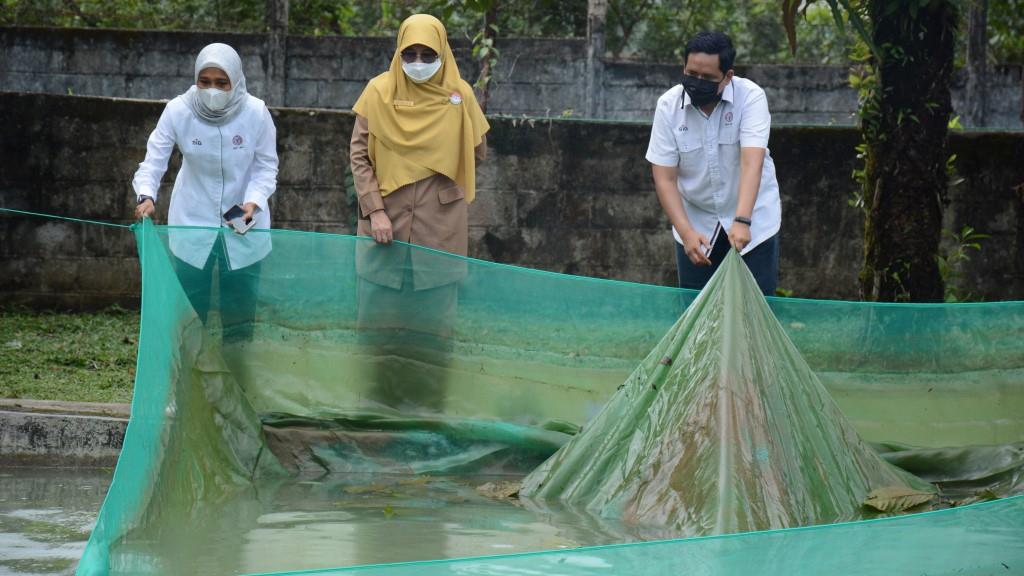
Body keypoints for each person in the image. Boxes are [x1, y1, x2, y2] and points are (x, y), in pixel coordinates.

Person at [349, 13, 489, 411]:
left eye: (428, 53)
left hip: (440, 226)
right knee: (378, 324)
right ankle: (374, 408)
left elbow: (476, 152)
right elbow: (359, 156)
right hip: (383, 226)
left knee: (434, 328)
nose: (418, 60)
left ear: (442, 53)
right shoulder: (377, 92)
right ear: (398, 52)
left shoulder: (459, 95)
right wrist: (375, 209)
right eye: (409, 52)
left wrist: (442, 171)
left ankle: (429, 411)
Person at [132, 43, 278, 341]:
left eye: (221, 83)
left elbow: (266, 167)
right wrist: (146, 196)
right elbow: (153, 161)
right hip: (192, 219)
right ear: (196, 79)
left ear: (235, 81)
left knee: (239, 313)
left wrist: (253, 202)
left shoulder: (256, 112)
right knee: (190, 310)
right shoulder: (178, 111)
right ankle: (189, 375)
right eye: (205, 82)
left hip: (243, 223)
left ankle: (236, 373)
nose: (213, 89)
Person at [645, 31, 781, 296]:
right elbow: (665, 178)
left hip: (754, 220)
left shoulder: (751, 98)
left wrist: (742, 220)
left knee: (756, 311)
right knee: (697, 315)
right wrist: (685, 233)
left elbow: (752, 163)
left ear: (727, 76)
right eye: (691, 74)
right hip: (695, 222)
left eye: (707, 78)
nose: (697, 82)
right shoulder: (667, 106)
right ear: (683, 67)